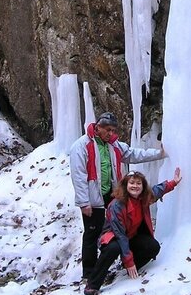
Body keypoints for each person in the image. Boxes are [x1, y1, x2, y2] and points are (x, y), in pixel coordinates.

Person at [69, 112, 165, 282]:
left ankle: (122, 260)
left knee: (117, 231)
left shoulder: (115, 146)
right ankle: (89, 272)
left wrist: (159, 153)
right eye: (107, 130)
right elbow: (79, 175)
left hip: (113, 196)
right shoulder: (81, 146)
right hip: (93, 199)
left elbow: (135, 154)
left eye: (113, 130)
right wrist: (84, 202)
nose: (110, 133)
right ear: (97, 127)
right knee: (92, 233)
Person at [84, 168, 182, 295]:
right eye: (132, 183)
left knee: (153, 247)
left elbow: (158, 190)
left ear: (142, 186)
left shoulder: (144, 198)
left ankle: (129, 268)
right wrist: (128, 261)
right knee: (113, 248)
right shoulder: (116, 206)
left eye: (138, 183)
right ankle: (93, 284)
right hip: (113, 236)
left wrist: (173, 182)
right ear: (126, 185)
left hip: (131, 235)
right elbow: (120, 235)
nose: (135, 186)